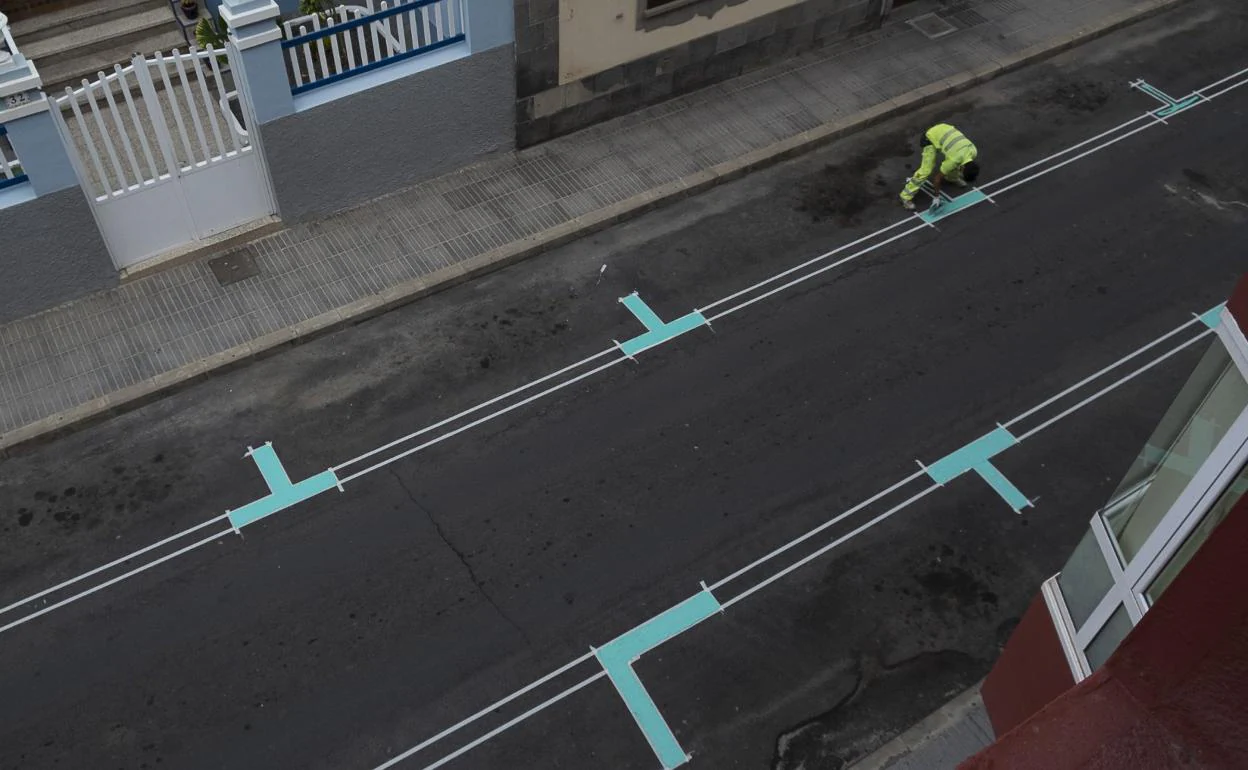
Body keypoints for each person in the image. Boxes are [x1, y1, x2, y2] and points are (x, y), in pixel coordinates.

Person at [900, 124, 980, 211]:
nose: (961, 173)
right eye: (962, 174)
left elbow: (957, 163)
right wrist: (936, 197)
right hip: (929, 138)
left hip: (945, 129)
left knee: (954, 165)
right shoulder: (953, 161)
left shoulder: (973, 151)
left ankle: (952, 178)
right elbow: (937, 179)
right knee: (926, 170)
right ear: (964, 168)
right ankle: (905, 196)